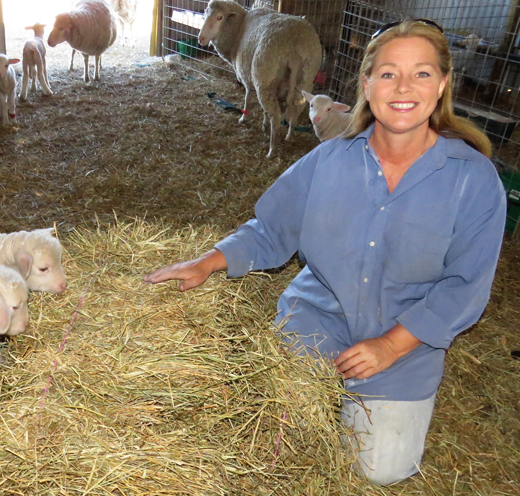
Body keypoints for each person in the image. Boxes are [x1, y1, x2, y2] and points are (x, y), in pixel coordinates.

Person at [144, 19, 506, 486]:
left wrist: (390, 346)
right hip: (316, 322)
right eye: (388, 73)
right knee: (268, 444)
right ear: (366, 83)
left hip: (404, 342)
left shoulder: (472, 180)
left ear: (441, 85)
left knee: (380, 470)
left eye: (421, 74)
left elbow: (465, 288)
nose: (403, 87)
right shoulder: (331, 159)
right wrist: (208, 261)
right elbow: (273, 227)